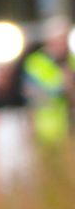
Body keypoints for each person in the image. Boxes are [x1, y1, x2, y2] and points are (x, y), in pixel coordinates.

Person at [21, 14, 75, 144]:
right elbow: (30, 94)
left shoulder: (71, 62)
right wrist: (62, 87)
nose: (62, 45)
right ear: (49, 41)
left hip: (69, 129)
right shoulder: (35, 63)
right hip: (46, 132)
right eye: (59, 40)